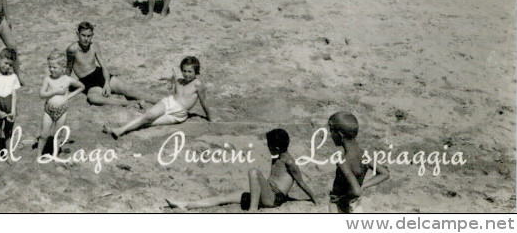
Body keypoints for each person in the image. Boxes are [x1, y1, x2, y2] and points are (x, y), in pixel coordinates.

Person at [166, 128, 319, 211]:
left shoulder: (290, 162)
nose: (268, 149)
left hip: (274, 198)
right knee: (224, 198)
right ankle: (186, 204)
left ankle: (252, 210)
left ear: (277, 147)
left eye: (269, 146)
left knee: (253, 171)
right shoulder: (276, 156)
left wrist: (315, 200)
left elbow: (301, 182)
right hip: (265, 193)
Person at [105, 56, 211, 138]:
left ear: (196, 72)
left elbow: (204, 102)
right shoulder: (179, 81)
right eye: (184, 71)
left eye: (190, 72)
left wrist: (210, 118)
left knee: (150, 123)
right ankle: (119, 130)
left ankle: (122, 127)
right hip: (169, 103)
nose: (186, 74)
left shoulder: (198, 84)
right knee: (148, 116)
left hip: (179, 114)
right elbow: (174, 97)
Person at [66, 21, 147, 107]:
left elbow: (104, 67)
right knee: (93, 98)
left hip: (100, 74)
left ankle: (160, 100)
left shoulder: (94, 46)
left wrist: (107, 83)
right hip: (87, 82)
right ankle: (131, 103)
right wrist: (64, 85)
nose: (86, 39)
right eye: (83, 35)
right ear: (77, 34)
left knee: (130, 90)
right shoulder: (72, 49)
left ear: (92, 35)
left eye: (89, 36)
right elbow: (68, 69)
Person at [326, 111, 390, 213]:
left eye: (331, 131)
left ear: (340, 134)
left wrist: (340, 199)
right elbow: (384, 174)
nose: (330, 135)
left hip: (340, 206)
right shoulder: (363, 154)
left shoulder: (343, 161)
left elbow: (356, 191)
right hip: (355, 205)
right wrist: (364, 186)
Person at [35, 51, 84, 158]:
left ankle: (55, 155)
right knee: (44, 135)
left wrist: (68, 97)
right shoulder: (48, 79)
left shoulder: (67, 80)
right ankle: (39, 154)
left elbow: (81, 87)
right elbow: (42, 94)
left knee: (58, 135)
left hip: (62, 110)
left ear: (63, 68)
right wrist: (56, 92)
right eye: (50, 67)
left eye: (54, 67)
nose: (51, 69)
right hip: (49, 110)